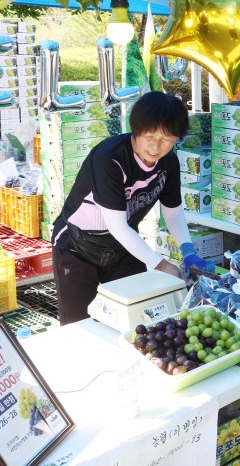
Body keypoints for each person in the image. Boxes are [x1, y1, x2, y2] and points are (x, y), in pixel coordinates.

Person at [51, 92, 213, 325]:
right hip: (76, 248)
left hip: (123, 247)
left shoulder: (168, 163)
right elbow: (116, 224)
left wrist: (189, 253)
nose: (156, 146)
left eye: (167, 138)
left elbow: (174, 212)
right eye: (150, 135)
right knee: (81, 327)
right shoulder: (110, 158)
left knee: (137, 320)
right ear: (135, 129)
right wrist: (161, 264)